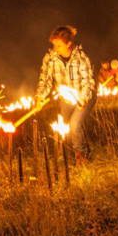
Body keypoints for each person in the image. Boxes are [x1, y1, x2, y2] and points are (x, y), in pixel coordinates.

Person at [34, 25, 96, 162]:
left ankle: (82, 156)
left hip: (84, 97)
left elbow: (88, 82)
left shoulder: (82, 58)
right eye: (54, 45)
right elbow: (45, 80)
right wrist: (39, 97)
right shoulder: (50, 59)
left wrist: (84, 98)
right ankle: (70, 152)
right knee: (66, 126)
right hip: (65, 99)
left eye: (58, 45)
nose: (55, 48)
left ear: (69, 43)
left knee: (75, 123)